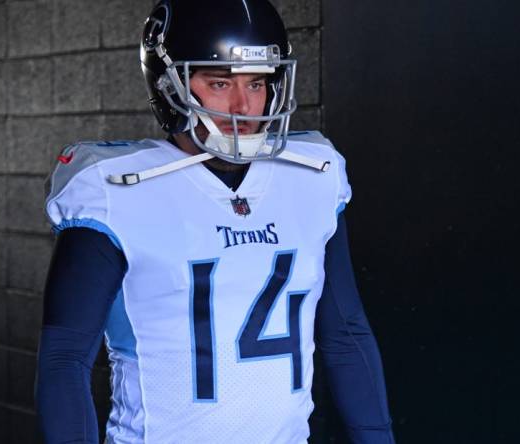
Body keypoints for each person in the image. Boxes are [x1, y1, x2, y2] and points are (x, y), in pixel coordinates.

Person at [36, 0, 394, 442]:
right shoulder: (116, 189)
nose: (244, 105)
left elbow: (346, 333)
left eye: (258, 82)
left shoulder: (312, 176)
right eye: (220, 81)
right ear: (170, 86)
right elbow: (65, 358)